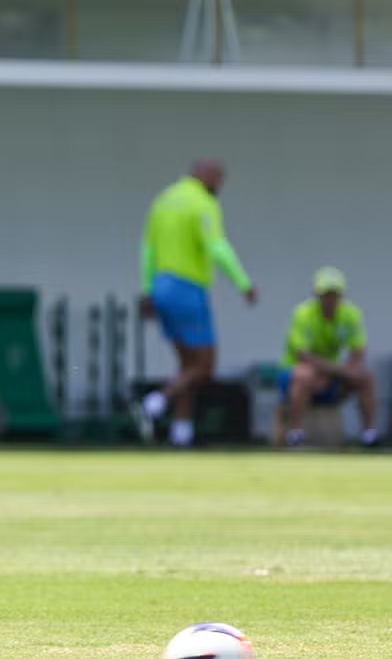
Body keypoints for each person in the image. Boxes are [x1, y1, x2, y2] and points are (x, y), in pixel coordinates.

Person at [131, 159, 257, 447]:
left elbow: (147, 249)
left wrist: (147, 289)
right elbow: (217, 247)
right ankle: (154, 403)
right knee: (205, 366)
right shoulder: (202, 203)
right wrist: (243, 283)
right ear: (206, 177)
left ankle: (181, 431)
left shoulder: (163, 200)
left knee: (186, 365)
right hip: (187, 288)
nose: (220, 187)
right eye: (219, 180)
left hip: (161, 285)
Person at [279, 266, 378, 447]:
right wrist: (333, 371)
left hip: (330, 375)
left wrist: (333, 373)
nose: (330, 299)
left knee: (365, 377)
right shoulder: (303, 313)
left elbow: (358, 353)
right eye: (326, 294)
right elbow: (302, 355)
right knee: (305, 375)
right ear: (317, 295)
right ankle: (295, 434)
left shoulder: (351, 315)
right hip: (294, 375)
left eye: (335, 294)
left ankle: (369, 435)